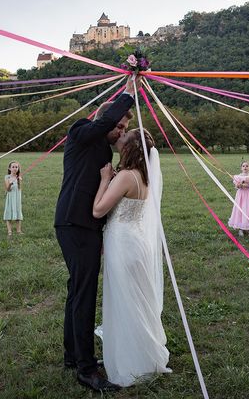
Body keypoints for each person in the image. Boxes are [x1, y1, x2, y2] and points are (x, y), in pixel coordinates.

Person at [54, 74, 138, 393]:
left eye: (122, 129)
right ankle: (87, 370)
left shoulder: (103, 152)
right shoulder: (80, 131)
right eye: (118, 126)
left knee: (78, 290)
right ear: (104, 118)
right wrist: (129, 93)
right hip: (74, 223)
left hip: (86, 227)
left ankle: (73, 356)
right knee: (84, 294)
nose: (120, 132)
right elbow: (104, 123)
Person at [92, 129, 171, 387]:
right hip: (136, 243)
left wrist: (105, 179)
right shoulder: (143, 177)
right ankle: (145, 354)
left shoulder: (125, 176)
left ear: (131, 149)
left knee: (124, 298)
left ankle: (132, 361)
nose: (119, 141)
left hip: (122, 244)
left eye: (124, 140)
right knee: (137, 298)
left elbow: (98, 209)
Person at [228, 161, 249, 237]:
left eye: (247, 166)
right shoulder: (237, 177)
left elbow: (248, 186)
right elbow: (237, 186)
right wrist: (238, 185)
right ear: (241, 168)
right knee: (240, 210)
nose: (245, 167)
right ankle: (241, 228)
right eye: (243, 166)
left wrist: (241, 184)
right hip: (240, 196)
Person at [3, 161, 23, 236]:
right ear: (9, 168)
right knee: (9, 212)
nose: (15, 168)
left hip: (17, 197)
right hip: (11, 197)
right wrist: (10, 184)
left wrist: (19, 181)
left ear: (18, 168)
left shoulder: (19, 177)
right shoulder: (7, 177)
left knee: (18, 213)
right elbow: (8, 189)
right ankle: (9, 231)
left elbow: (19, 188)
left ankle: (18, 230)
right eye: (13, 167)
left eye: (16, 167)